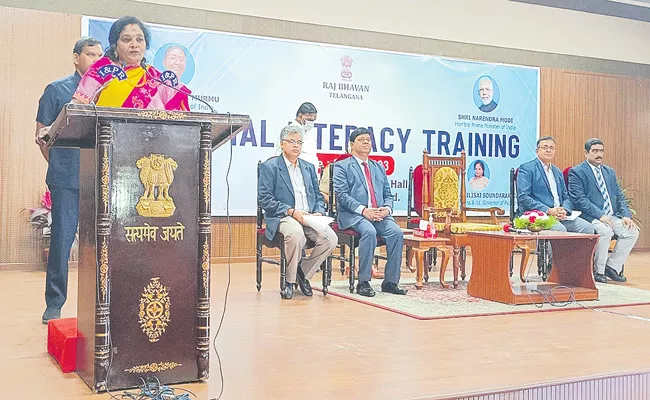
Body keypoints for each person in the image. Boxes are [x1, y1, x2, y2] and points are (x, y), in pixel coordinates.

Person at [35, 37, 103, 324]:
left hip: (101, 179)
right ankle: (54, 303)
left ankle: (103, 304)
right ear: (76, 58)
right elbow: (41, 136)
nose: (96, 61)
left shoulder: (109, 93)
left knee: (103, 244)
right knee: (62, 242)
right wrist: (61, 165)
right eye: (90, 55)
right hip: (66, 179)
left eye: (101, 56)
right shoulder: (57, 89)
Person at [259, 125, 338, 299]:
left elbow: (317, 195)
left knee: (330, 239)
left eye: (299, 142)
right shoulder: (270, 166)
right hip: (285, 215)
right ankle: (289, 281)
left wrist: (318, 211)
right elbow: (265, 199)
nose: (296, 145)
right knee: (296, 235)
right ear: (282, 144)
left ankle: (302, 273)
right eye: (292, 141)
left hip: (309, 216)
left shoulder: (308, 167)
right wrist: (291, 211)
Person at [333, 128, 407, 297]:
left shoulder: (378, 167)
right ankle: (364, 281)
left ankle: (390, 282)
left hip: (379, 215)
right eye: (361, 139)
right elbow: (342, 196)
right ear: (352, 145)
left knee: (396, 233)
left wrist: (386, 209)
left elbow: (388, 194)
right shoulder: (342, 166)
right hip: (354, 215)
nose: (366, 142)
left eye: (368, 139)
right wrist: (363, 210)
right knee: (369, 232)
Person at [72, 16, 190, 110]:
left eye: (139, 39)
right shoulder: (103, 68)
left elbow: (180, 119)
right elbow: (77, 107)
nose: (134, 45)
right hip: (107, 137)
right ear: (115, 45)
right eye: (126, 40)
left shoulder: (156, 78)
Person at [568, 138, 639, 283]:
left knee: (632, 231)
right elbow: (579, 200)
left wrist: (626, 216)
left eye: (601, 151)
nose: (599, 154)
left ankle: (611, 267)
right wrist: (600, 215)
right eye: (595, 151)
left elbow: (620, 196)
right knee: (605, 231)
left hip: (611, 216)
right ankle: (599, 271)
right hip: (590, 216)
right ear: (586, 153)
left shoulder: (609, 172)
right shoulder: (577, 172)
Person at [516, 136, 593, 234]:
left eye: (551, 148)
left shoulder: (557, 172)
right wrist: (548, 210)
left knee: (587, 228)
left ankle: (574, 250)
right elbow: (523, 197)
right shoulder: (527, 168)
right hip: (538, 215)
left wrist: (564, 210)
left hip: (560, 215)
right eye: (545, 147)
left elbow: (566, 197)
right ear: (537, 151)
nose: (548, 150)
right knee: (560, 229)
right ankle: (559, 250)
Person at [288, 102, 319, 171]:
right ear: (300, 116)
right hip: (297, 172)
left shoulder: (308, 130)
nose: (311, 123)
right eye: (309, 120)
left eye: (313, 120)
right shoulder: (290, 130)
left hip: (311, 172)